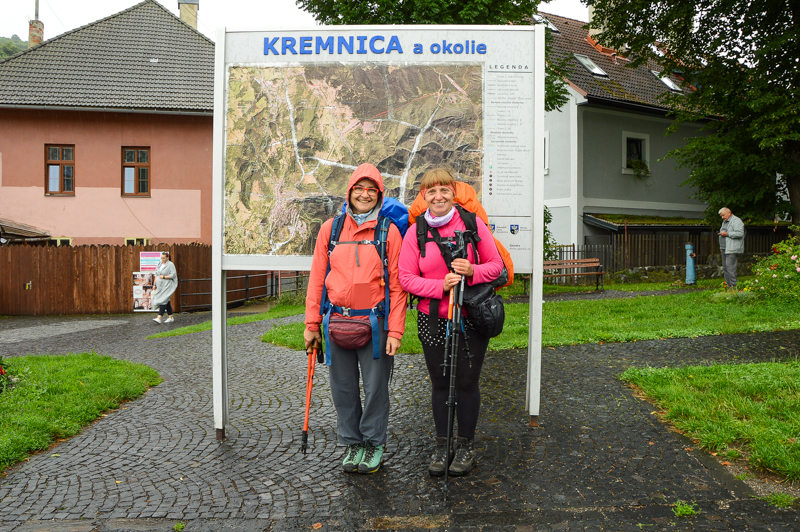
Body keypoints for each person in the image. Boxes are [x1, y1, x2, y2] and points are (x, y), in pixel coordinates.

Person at [398, 168, 504, 477]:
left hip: (469, 317)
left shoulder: (473, 224)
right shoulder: (415, 232)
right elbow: (405, 277)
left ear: (453, 193)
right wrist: (438, 287)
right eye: (431, 191)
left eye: (444, 190)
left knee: (467, 383)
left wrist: (472, 270)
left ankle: (466, 447)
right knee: (441, 383)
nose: (438, 196)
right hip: (432, 319)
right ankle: (442, 446)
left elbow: (496, 267)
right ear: (424, 196)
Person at [303, 163, 406, 474]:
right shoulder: (330, 230)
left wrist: (396, 331)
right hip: (336, 324)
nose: (365, 194)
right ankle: (352, 444)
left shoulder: (388, 231)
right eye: (359, 188)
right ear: (349, 192)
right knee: (343, 389)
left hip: (375, 325)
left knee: (376, 390)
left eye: (371, 189)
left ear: (379, 194)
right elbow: (317, 278)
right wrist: (311, 325)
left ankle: (373, 444)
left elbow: (398, 285)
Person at [718, 207, 745, 290]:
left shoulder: (737, 221)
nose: (722, 217)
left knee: (730, 267)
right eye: (721, 216)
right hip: (724, 248)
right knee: (725, 268)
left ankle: (733, 286)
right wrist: (721, 247)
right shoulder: (724, 222)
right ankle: (728, 285)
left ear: (729, 213)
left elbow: (740, 233)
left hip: (732, 248)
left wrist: (728, 234)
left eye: (723, 215)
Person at [152, 251, 178, 323]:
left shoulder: (171, 264)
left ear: (167, 257)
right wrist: (154, 284)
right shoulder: (159, 264)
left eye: (163, 258)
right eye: (161, 258)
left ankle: (159, 317)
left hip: (168, 285)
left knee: (163, 300)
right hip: (160, 286)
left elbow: (172, 275)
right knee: (166, 300)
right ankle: (170, 317)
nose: (162, 259)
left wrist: (163, 277)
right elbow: (156, 275)